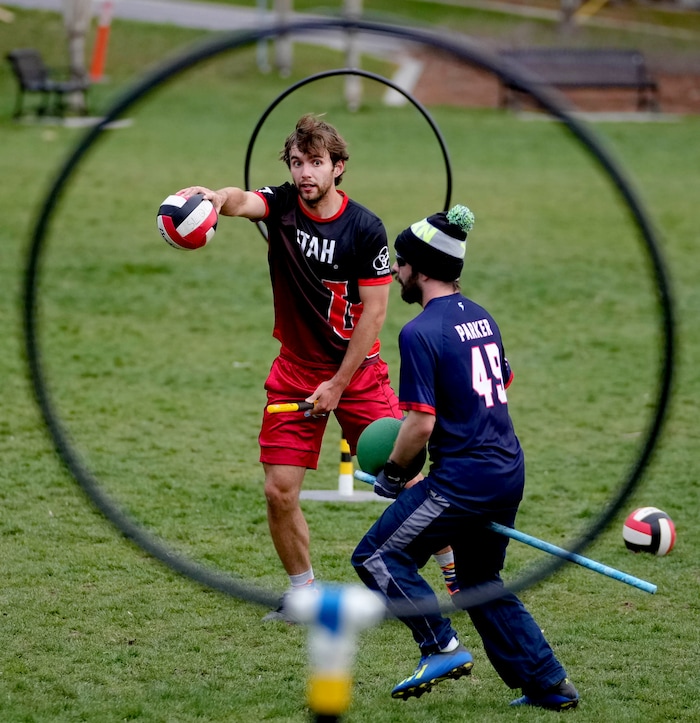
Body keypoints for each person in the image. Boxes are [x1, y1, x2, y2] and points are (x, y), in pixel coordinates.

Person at [177, 114, 457, 620]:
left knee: (407, 477)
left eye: (316, 162)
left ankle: (456, 577)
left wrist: (338, 384)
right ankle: (303, 593)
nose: (305, 172)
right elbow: (244, 201)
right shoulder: (283, 205)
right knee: (278, 491)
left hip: (357, 374)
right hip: (294, 371)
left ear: (338, 166)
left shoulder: (365, 229)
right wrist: (216, 199)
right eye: (297, 162)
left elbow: (375, 314)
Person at [351, 205, 579, 710]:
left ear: (421, 268)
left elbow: (420, 424)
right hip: (507, 470)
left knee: (376, 556)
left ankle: (440, 646)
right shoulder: (481, 316)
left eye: (401, 262)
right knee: (478, 580)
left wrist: (393, 474)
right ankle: (548, 684)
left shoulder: (419, 332)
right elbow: (503, 379)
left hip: (463, 481)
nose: (396, 270)